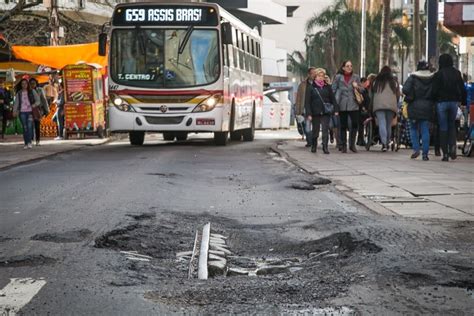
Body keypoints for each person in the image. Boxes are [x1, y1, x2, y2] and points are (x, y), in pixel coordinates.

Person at [432, 54, 466, 161]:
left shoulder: (438, 74)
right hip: (454, 102)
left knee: (443, 127)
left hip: (441, 103)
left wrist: (434, 101)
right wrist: (463, 101)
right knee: (452, 126)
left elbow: (434, 90)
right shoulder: (457, 73)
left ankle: (445, 153)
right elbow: (462, 88)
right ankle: (452, 148)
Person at [402, 61, 435, 161]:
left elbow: (405, 89)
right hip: (427, 107)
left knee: (413, 128)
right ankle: (425, 154)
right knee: (425, 130)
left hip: (414, 106)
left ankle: (416, 149)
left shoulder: (413, 77)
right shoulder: (432, 78)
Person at [305, 68, 339, 154]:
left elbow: (333, 99)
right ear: (315, 77)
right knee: (315, 131)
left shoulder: (328, 87)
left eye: (322, 76)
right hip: (315, 112)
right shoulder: (311, 87)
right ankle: (314, 145)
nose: (320, 77)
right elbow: (307, 102)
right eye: (318, 76)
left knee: (325, 130)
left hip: (325, 112)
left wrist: (336, 109)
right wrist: (309, 113)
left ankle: (325, 146)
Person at [332, 60, 362, 153]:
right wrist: (333, 101)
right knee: (343, 125)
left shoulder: (356, 77)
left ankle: (352, 144)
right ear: (343, 67)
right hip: (342, 104)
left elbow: (362, 89)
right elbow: (333, 89)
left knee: (354, 124)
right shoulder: (338, 77)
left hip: (353, 103)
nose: (349, 68)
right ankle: (343, 145)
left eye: (351, 66)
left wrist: (357, 86)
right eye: (347, 66)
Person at [371, 66, 400, 152]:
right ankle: (387, 142)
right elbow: (398, 94)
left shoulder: (376, 81)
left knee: (382, 123)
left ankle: (384, 144)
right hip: (391, 105)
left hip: (379, 105)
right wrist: (396, 102)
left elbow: (372, 93)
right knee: (388, 124)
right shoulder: (394, 81)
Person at [12, 78, 40, 149]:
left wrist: (34, 105)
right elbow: (16, 103)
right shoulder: (19, 93)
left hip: (30, 112)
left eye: (25, 84)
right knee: (25, 128)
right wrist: (14, 111)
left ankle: (30, 142)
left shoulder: (32, 91)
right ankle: (26, 143)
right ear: (21, 85)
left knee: (30, 127)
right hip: (22, 113)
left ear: (28, 84)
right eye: (22, 84)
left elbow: (38, 100)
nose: (24, 85)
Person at [295, 67, 317, 147]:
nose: (314, 75)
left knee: (315, 127)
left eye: (315, 73)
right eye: (312, 73)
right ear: (309, 74)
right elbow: (298, 98)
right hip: (305, 109)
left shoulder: (318, 83)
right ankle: (309, 141)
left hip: (316, 109)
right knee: (307, 127)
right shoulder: (302, 85)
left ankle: (313, 141)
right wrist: (297, 111)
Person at [29, 78, 49, 146]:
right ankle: (31, 140)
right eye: (31, 83)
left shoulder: (40, 90)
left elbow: (44, 100)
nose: (32, 85)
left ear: (36, 83)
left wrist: (47, 110)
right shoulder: (28, 91)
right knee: (30, 125)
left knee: (37, 125)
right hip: (29, 110)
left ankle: (37, 140)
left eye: (33, 83)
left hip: (38, 110)